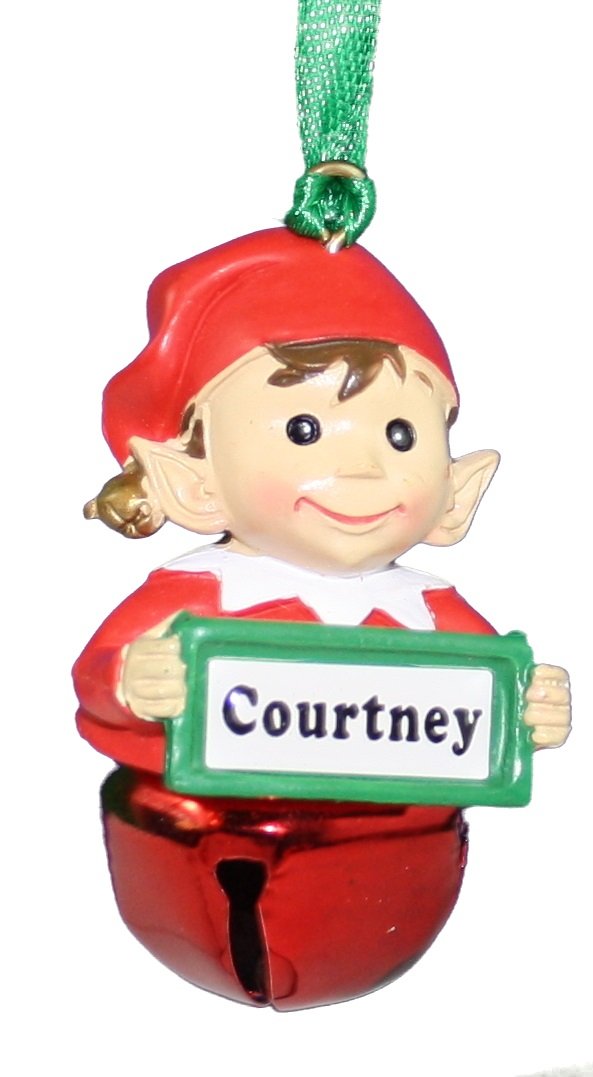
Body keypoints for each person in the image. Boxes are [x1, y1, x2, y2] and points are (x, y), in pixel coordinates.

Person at [74, 228, 570, 1009]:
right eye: (303, 431)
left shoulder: (428, 611)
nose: (364, 470)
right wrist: (134, 682)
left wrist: (527, 711)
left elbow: (489, 704)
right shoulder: (200, 595)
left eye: (400, 435)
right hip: (199, 856)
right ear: (193, 480)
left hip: (395, 866)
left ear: (455, 488)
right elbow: (100, 678)